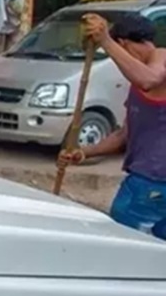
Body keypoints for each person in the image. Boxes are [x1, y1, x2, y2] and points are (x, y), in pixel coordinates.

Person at [59, 12, 166, 239]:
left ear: (124, 44)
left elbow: (148, 79)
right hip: (149, 181)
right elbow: (123, 135)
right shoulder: (139, 79)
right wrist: (83, 152)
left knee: (125, 244)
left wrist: (105, 41)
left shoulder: (161, 57)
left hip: (151, 183)